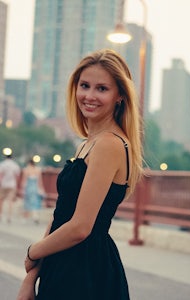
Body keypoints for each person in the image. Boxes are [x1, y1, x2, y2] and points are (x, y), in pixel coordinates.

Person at [17, 49, 143, 300]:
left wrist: (33, 252)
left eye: (102, 89)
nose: (89, 96)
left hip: (85, 271)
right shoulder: (87, 144)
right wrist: (31, 276)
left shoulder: (109, 144)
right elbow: (61, 215)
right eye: (84, 85)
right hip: (64, 263)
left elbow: (80, 227)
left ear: (119, 96)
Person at [20, 159, 46, 224]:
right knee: (35, 202)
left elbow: (24, 181)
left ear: (29, 163)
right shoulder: (38, 170)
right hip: (35, 188)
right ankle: (35, 216)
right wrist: (42, 189)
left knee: (27, 202)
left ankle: (25, 218)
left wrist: (22, 189)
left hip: (28, 188)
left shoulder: (26, 170)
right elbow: (40, 181)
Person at [0, 154, 21, 223]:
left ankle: (1, 215)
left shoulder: (2, 164)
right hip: (12, 184)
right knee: (10, 201)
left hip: (3, 184)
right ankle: (9, 216)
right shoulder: (15, 165)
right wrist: (17, 185)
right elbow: (17, 176)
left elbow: (1, 175)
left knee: (1, 200)